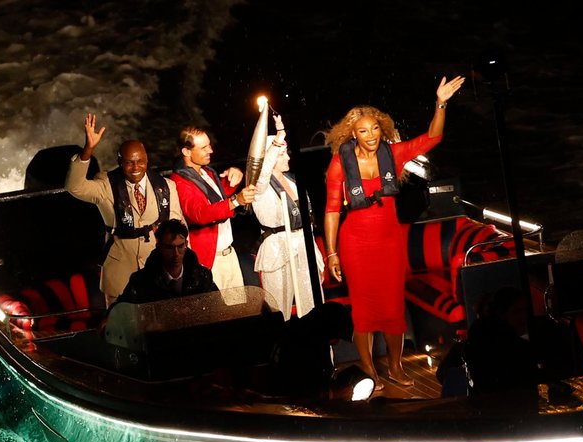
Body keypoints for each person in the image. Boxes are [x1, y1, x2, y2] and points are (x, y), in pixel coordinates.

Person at [323, 75, 465, 388]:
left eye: (375, 128)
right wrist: (331, 253)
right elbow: (332, 209)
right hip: (354, 241)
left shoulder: (394, 153)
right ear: (353, 135)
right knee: (364, 308)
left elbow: (432, 138)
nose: (371, 135)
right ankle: (369, 369)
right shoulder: (339, 163)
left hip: (388, 239)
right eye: (363, 130)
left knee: (391, 305)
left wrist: (440, 103)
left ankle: (397, 368)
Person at [65, 113, 184, 306]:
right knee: (121, 326)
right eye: (129, 162)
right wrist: (88, 150)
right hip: (120, 270)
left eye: (140, 161)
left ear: (147, 160)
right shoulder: (106, 185)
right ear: (120, 163)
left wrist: (182, 265)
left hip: (157, 268)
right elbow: (74, 187)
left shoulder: (165, 186)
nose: (136, 167)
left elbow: (179, 229)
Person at [251, 114, 324, 321]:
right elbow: (262, 171)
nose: (288, 157)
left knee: (314, 309)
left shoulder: (293, 183)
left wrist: (316, 257)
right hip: (277, 252)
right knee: (278, 312)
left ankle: (318, 350)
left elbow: (306, 222)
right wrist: (278, 136)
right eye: (282, 154)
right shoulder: (259, 185)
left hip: (302, 246)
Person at [170, 126, 256, 291]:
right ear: (186, 152)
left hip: (228, 255)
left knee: (238, 309)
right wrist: (235, 202)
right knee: (217, 312)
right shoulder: (179, 182)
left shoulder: (206, 172)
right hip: (209, 261)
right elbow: (199, 214)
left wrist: (234, 175)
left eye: (209, 145)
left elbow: (215, 198)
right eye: (203, 148)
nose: (210, 150)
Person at [116, 219, 217, 304]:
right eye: (170, 248)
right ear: (159, 246)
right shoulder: (141, 281)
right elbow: (122, 308)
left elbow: (217, 308)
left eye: (180, 246)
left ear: (186, 244)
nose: (176, 254)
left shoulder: (202, 276)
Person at [464, 286, 537, 398]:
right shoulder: (512, 348)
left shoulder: (479, 338)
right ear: (501, 314)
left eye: (525, 310)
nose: (523, 317)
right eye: (517, 311)